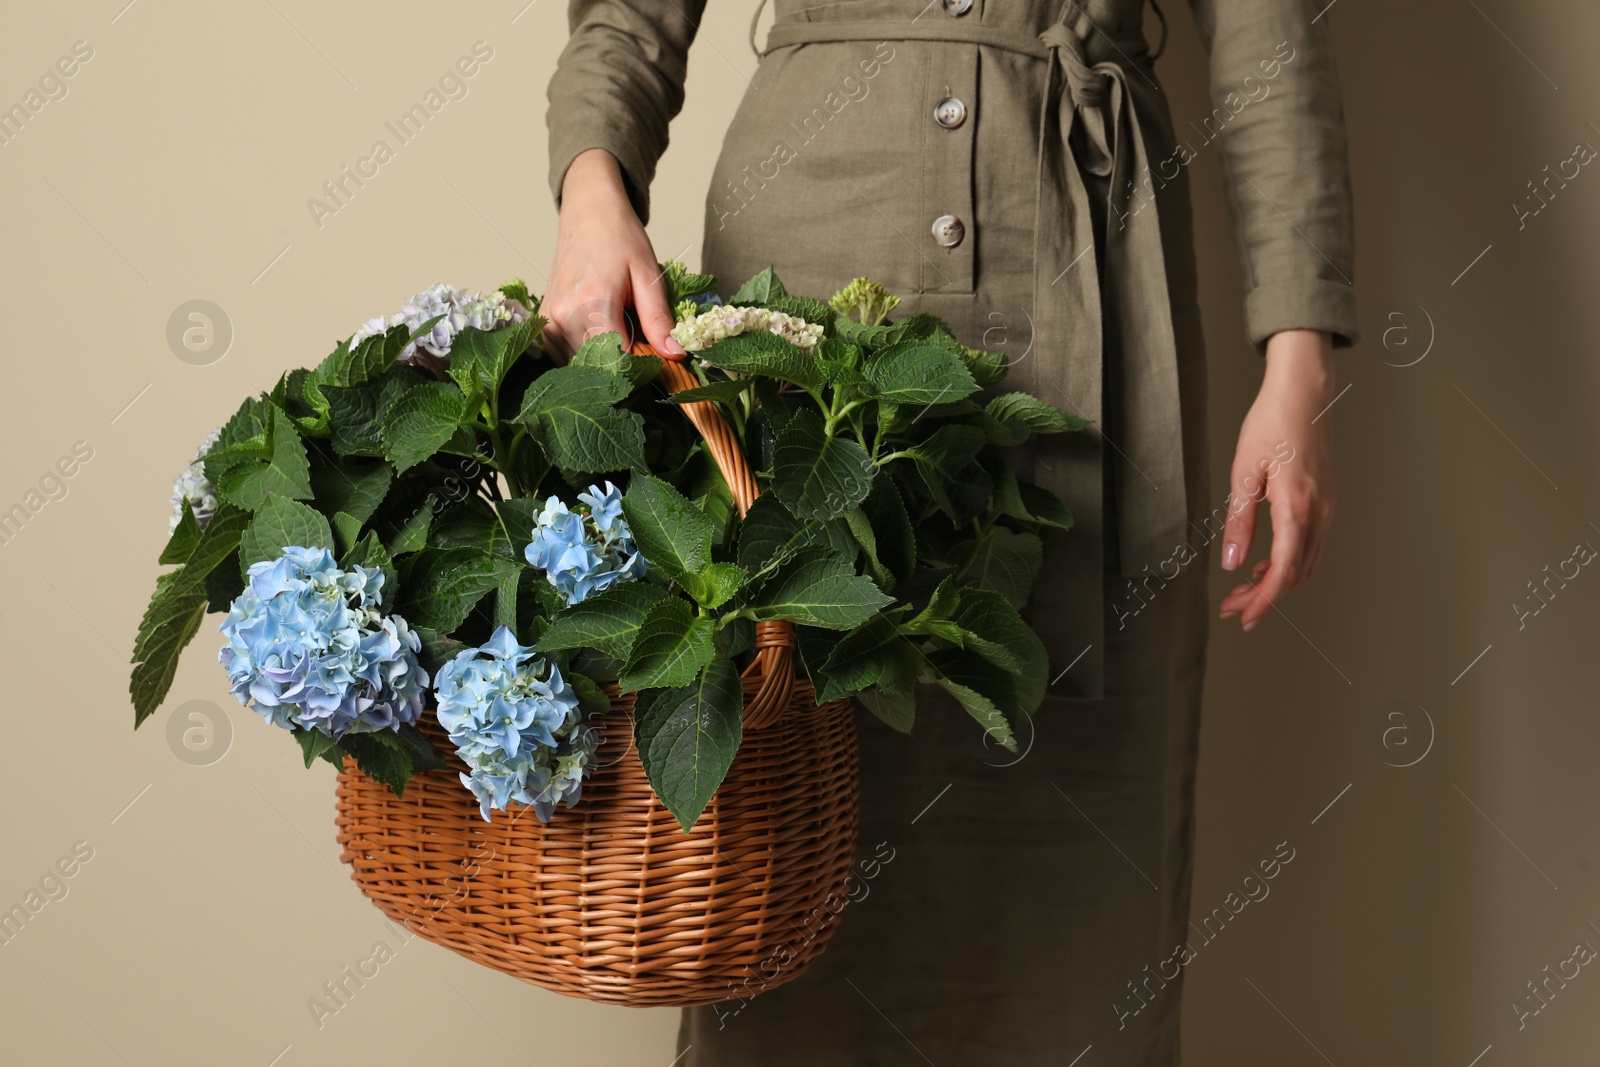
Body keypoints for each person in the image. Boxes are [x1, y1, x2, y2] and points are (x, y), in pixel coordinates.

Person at [543, 0, 1354, 1062]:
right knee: (794, 841)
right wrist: (591, 189)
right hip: (806, 294)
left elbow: (1269, 32)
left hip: (1091, 276)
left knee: (1084, 879)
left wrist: (1297, 361)